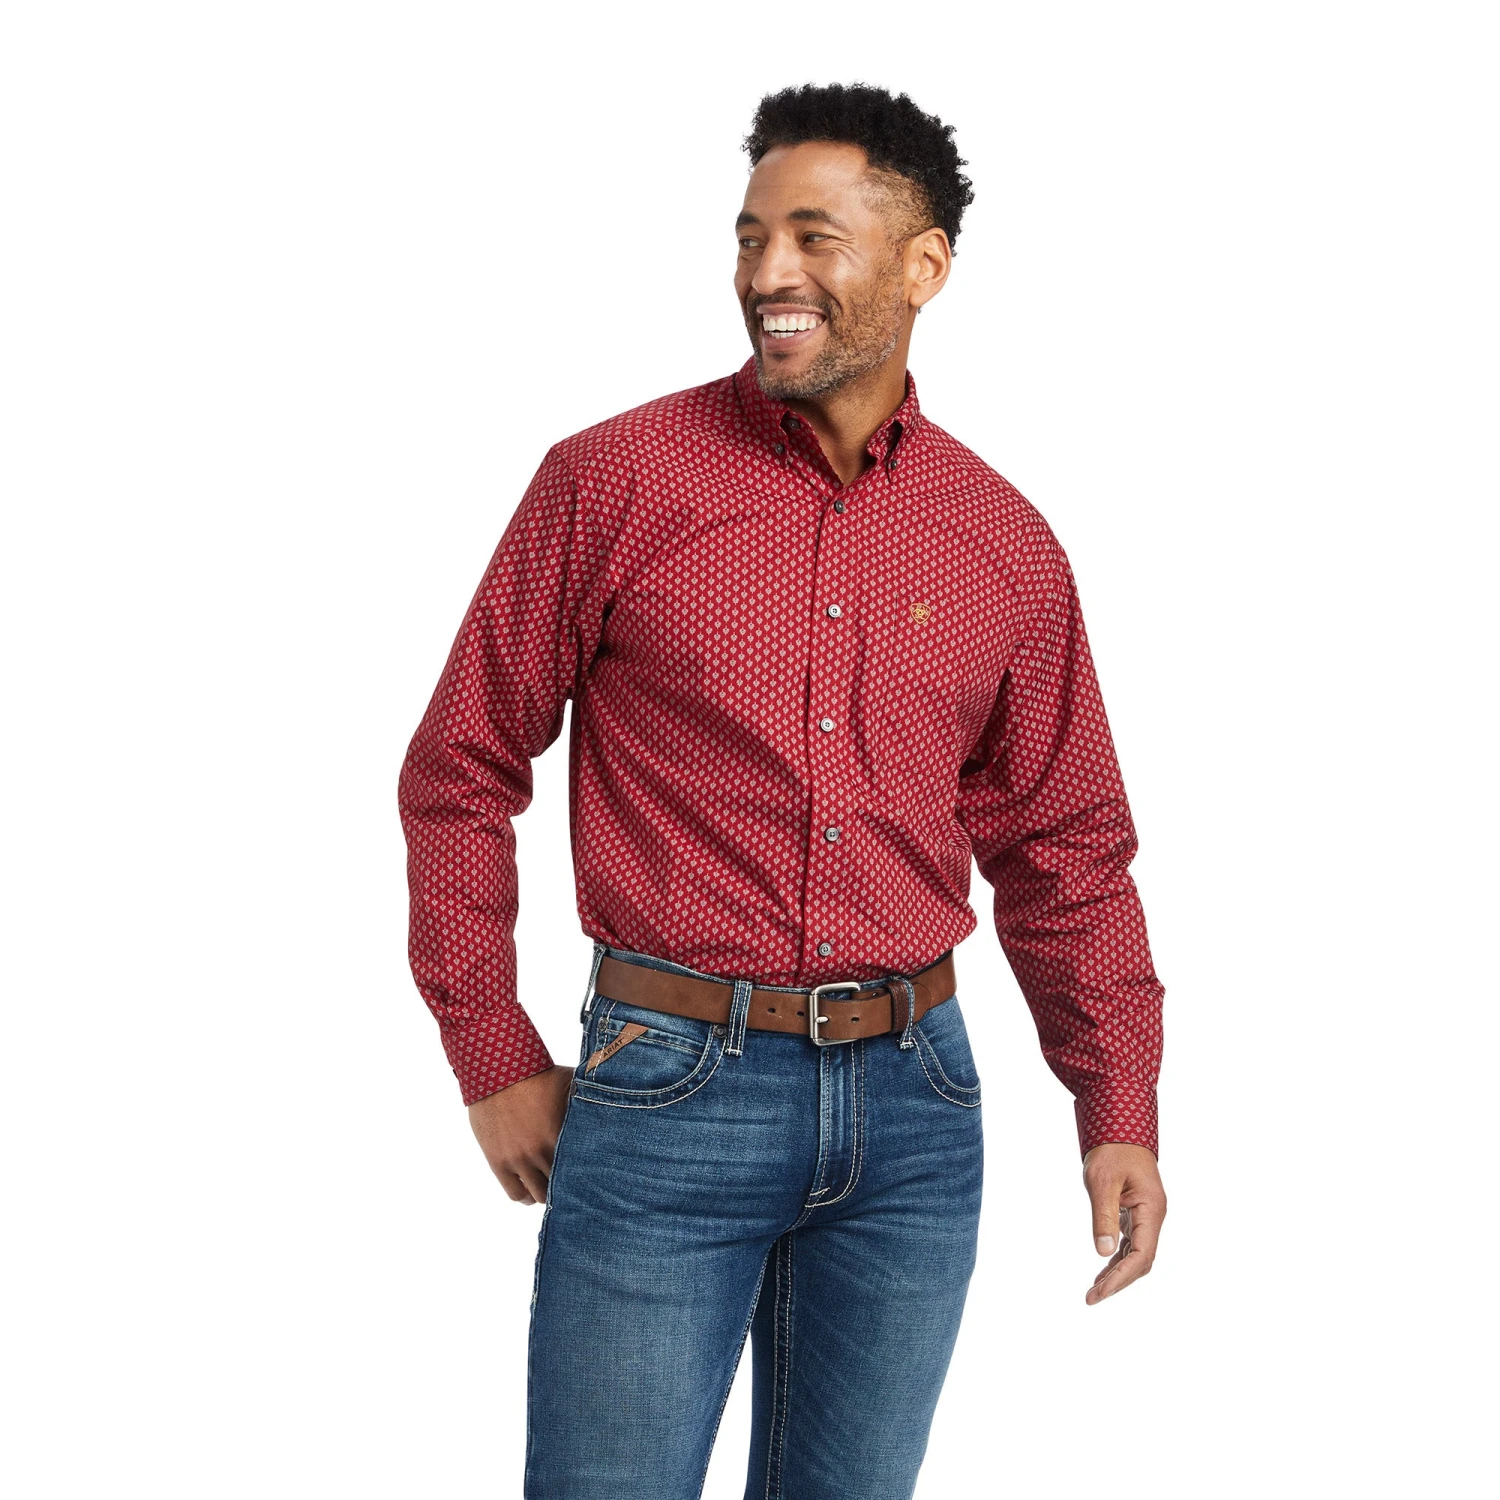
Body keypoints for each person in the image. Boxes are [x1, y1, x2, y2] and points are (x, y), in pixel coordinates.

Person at [398, 81, 1166, 1500]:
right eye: (752, 237)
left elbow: (1065, 847)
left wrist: (1117, 1100)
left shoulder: (1001, 540)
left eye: (814, 237)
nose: (767, 274)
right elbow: (460, 766)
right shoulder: (613, 482)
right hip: (670, 1087)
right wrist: (489, 1047)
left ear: (925, 265)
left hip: (919, 1106)